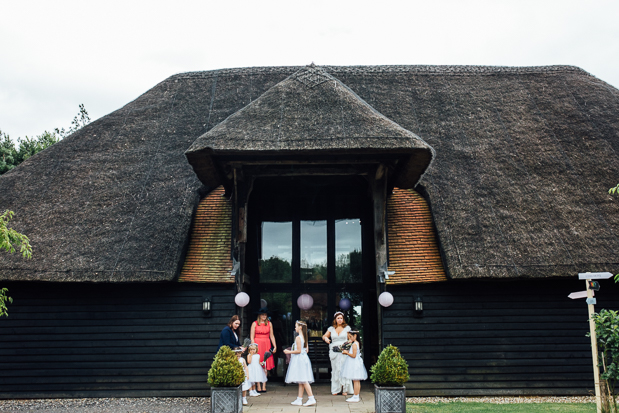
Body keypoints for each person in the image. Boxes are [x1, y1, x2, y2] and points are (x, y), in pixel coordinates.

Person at [284, 320, 316, 407]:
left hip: (300, 359)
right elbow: (307, 350)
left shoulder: (298, 338)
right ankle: (299, 399)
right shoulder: (304, 337)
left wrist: (288, 351)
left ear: (300, 327)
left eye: (296, 326)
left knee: (304, 380)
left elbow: (298, 351)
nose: (295, 328)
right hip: (304, 358)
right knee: (301, 380)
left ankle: (311, 398)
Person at [322, 311, 354, 395]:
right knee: (335, 369)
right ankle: (336, 389)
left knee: (343, 368)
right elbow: (324, 336)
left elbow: (351, 338)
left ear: (343, 319)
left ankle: (345, 389)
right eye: (338, 318)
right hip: (334, 351)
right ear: (335, 319)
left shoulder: (347, 328)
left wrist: (347, 346)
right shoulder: (331, 328)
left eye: (341, 318)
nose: (340, 320)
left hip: (343, 350)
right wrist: (326, 339)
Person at [250, 307, 277, 392]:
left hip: (266, 344)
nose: (264, 316)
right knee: (258, 365)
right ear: (259, 315)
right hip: (257, 345)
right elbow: (252, 336)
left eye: (265, 314)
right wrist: (253, 347)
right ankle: (258, 384)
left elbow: (272, 336)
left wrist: (275, 346)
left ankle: (264, 385)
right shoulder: (254, 323)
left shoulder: (269, 323)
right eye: (262, 314)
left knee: (265, 365)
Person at [340, 330, 368, 403]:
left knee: (355, 380)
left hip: (354, 363)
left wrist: (347, 353)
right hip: (355, 363)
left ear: (355, 336)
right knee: (356, 380)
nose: (349, 338)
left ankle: (356, 396)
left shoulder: (354, 344)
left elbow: (354, 355)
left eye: (350, 336)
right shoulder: (355, 343)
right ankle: (356, 395)